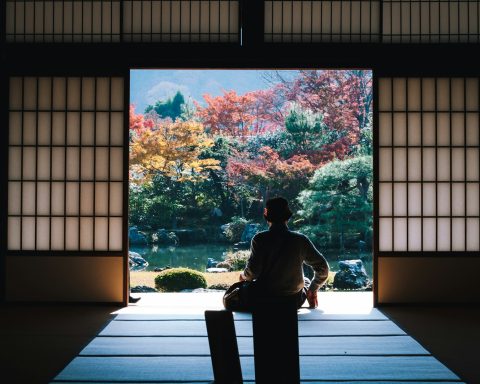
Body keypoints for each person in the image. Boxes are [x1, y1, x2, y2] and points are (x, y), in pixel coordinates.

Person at [239, 196, 329, 309]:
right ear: (288, 216)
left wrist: (243, 276)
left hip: (263, 299)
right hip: (292, 301)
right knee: (305, 281)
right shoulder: (300, 240)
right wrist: (313, 288)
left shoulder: (260, 239)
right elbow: (323, 267)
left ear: (266, 213)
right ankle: (308, 293)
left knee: (245, 285)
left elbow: (253, 272)